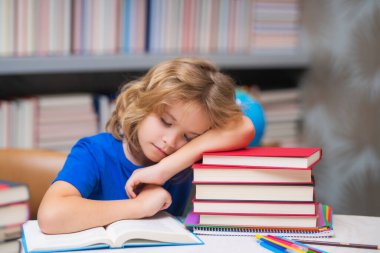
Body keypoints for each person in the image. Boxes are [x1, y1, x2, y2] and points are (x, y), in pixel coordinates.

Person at [38, 57, 255, 234]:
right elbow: (51, 216)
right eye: (165, 121)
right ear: (142, 103)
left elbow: (244, 127)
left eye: (189, 137)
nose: (170, 141)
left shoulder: (182, 163)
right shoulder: (94, 152)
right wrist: (138, 207)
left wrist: (164, 169)